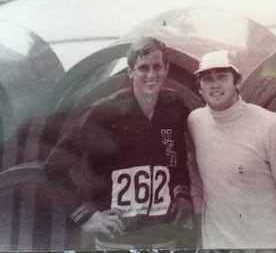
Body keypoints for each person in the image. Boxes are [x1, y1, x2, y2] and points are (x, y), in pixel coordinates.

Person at [44, 37, 193, 249]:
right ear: (131, 72)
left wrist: (181, 193)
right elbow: (54, 167)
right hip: (117, 241)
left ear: (166, 69)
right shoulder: (104, 112)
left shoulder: (174, 106)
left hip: (163, 236)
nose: (151, 75)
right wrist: (85, 216)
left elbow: (175, 159)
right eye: (143, 68)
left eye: (157, 66)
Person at [187, 50, 276, 249]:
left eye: (222, 76)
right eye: (207, 78)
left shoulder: (270, 125)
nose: (214, 84)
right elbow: (197, 183)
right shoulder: (195, 121)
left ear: (237, 82)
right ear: (199, 88)